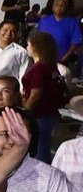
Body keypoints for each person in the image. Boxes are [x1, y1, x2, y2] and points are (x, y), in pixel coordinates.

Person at [21, 30, 65, 162]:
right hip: (50, 112)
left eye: (28, 45)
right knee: (43, 146)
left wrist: (25, 112)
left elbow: (35, 95)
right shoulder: (50, 66)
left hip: (39, 114)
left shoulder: (39, 69)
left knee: (40, 150)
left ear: (35, 46)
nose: (26, 47)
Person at [35, 0, 82, 64]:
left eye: (62, 5)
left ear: (66, 8)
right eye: (57, 5)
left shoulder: (73, 23)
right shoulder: (44, 20)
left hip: (62, 61)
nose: (59, 7)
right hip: (42, 60)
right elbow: (37, 38)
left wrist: (64, 59)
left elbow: (75, 44)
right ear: (53, 8)